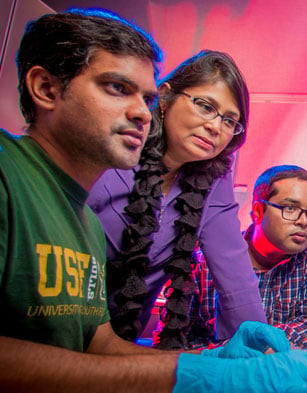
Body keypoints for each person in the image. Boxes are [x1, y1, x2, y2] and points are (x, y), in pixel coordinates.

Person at [0, 9, 307, 393]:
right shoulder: (27, 178)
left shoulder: (85, 219)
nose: (138, 111)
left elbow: (102, 344)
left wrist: (240, 363)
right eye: (116, 88)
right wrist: (201, 374)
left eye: (230, 120)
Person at [87, 49, 266, 350]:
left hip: (119, 348)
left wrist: (264, 353)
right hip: (50, 335)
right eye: (205, 106)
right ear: (165, 97)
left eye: (229, 121)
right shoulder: (115, 151)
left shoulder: (214, 180)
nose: (215, 127)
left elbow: (235, 276)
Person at [192, 165, 307, 348]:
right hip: (216, 371)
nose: (304, 221)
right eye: (290, 208)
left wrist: (247, 345)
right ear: (258, 212)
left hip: (280, 372)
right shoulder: (206, 263)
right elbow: (179, 341)